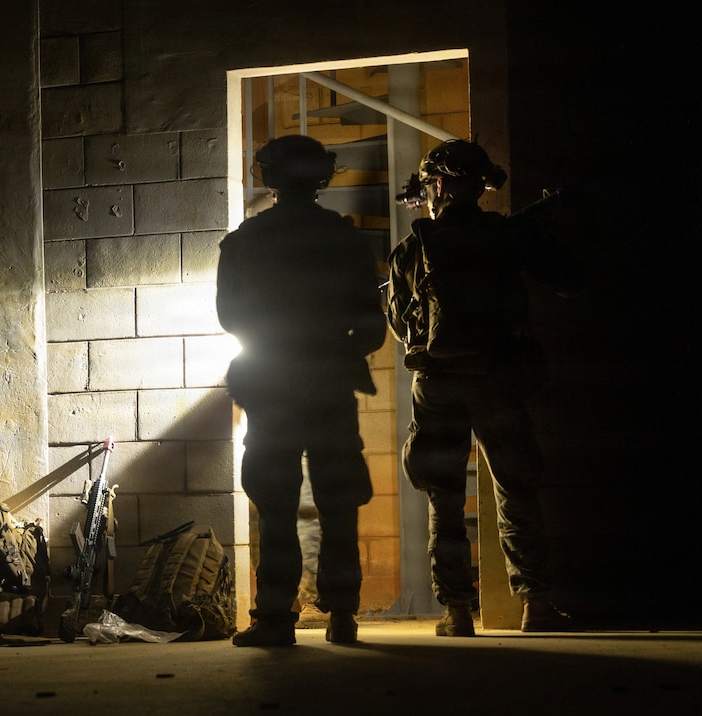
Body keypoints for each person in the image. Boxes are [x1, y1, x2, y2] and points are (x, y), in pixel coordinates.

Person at [386, 139, 585, 636]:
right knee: (515, 488)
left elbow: (399, 323)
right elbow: (570, 279)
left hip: (437, 385)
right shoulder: (506, 236)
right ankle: (535, 606)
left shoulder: (414, 246)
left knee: (444, 497)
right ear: (477, 186)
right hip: (497, 378)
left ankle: (456, 612)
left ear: (439, 184)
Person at [217, 135, 386, 646]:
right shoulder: (347, 240)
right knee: (338, 503)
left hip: (271, 389)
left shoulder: (245, 241)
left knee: (276, 505)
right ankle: (343, 617)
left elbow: (230, 318)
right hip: (331, 388)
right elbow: (373, 327)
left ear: (268, 176)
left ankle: (274, 619)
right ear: (322, 175)